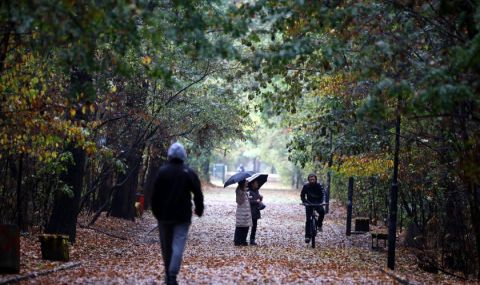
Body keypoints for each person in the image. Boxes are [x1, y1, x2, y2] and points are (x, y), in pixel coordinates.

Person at [150, 142, 204, 285]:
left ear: (169, 155)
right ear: (183, 156)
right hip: (182, 217)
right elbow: (198, 193)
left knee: (166, 247)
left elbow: (154, 196)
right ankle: (172, 275)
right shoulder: (188, 172)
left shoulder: (162, 172)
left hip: (164, 216)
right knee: (178, 245)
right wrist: (199, 210)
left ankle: (169, 274)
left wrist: (157, 214)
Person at [300, 173, 325, 244]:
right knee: (308, 220)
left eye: (313, 179)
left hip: (318, 203)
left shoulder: (319, 185)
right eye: (310, 179)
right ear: (308, 180)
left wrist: (322, 202)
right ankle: (307, 236)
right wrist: (304, 202)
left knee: (322, 212)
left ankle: (319, 224)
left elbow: (323, 195)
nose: (312, 180)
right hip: (309, 203)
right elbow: (302, 195)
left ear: (316, 179)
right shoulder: (306, 186)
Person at [234, 180, 252, 246]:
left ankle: (243, 240)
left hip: (246, 211)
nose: (247, 182)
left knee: (246, 226)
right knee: (240, 226)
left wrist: (248, 196)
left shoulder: (245, 191)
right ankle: (237, 241)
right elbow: (239, 201)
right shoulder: (239, 191)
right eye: (246, 181)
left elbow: (246, 200)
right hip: (241, 212)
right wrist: (244, 193)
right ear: (242, 183)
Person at [247, 178, 263, 246]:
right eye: (256, 183)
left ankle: (252, 240)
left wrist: (260, 198)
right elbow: (247, 201)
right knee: (247, 226)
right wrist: (255, 201)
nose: (257, 184)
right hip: (250, 211)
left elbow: (258, 199)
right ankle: (244, 238)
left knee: (254, 226)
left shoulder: (257, 191)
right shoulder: (248, 191)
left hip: (256, 211)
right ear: (252, 184)